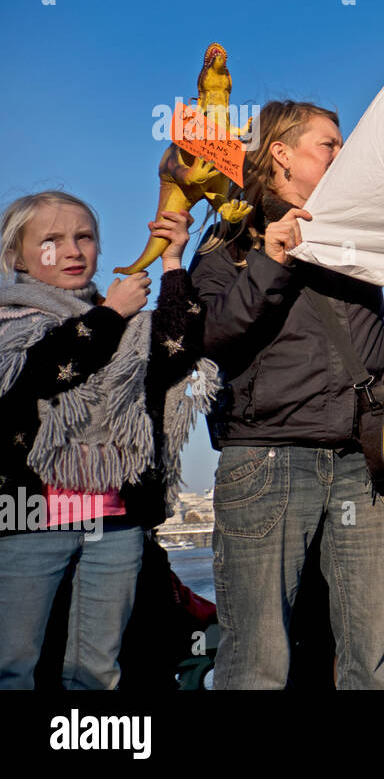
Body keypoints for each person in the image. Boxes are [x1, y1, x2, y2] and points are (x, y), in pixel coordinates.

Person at [190, 100, 384, 689]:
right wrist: (271, 259)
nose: (343, 156)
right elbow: (210, 336)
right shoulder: (228, 242)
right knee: (257, 658)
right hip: (269, 455)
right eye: (329, 144)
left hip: (366, 460)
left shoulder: (359, 234)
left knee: (375, 656)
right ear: (281, 153)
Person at [0, 192, 213, 689]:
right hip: (28, 523)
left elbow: (177, 350)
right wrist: (110, 315)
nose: (72, 250)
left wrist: (174, 262)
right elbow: (44, 372)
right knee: (14, 668)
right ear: (18, 257)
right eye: (50, 241)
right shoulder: (10, 322)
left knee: (97, 672)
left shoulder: (122, 321)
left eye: (84, 237)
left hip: (113, 525)